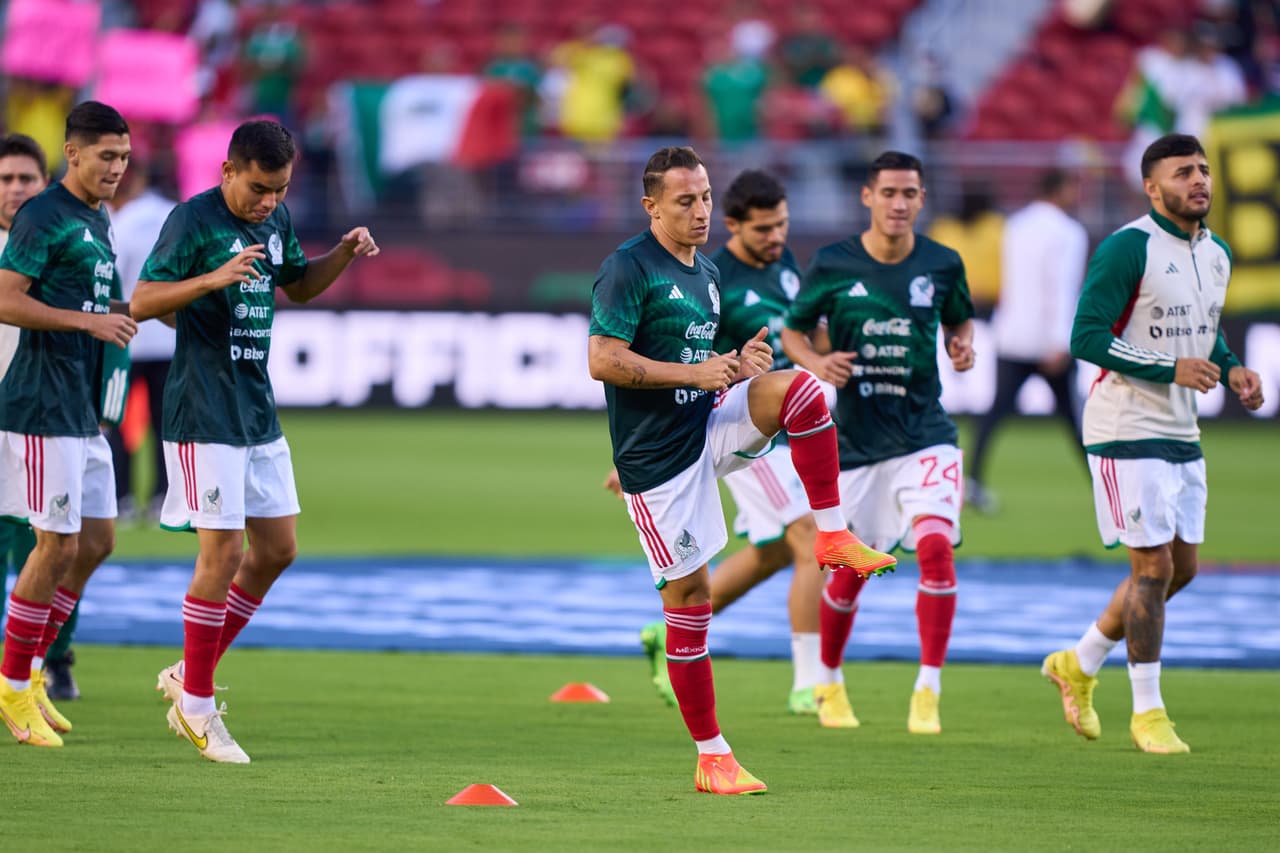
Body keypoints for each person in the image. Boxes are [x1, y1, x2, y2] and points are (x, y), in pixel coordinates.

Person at [588, 146, 896, 795]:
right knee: (689, 602)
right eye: (685, 201)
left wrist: (737, 363)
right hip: (659, 460)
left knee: (801, 391)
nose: (700, 211)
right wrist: (693, 373)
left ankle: (834, 531)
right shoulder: (627, 268)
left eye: (703, 197)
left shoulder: (705, 274)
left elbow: (707, 360)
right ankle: (712, 755)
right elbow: (603, 359)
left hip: (707, 421)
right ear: (650, 206)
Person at [131, 119, 379, 764]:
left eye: (280, 189)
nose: (269, 202)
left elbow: (296, 284)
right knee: (222, 552)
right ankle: (198, 709)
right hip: (202, 410)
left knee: (277, 548)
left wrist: (343, 253)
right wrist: (211, 280)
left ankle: (191, 674)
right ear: (228, 171)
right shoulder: (193, 221)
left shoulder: (275, 220)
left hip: (256, 410)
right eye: (260, 189)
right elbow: (143, 299)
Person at [1041, 133, 1263, 755]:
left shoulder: (1216, 253)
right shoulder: (1127, 248)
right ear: (1151, 186)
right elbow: (1086, 335)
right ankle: (1148, 713)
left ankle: (1078, 662)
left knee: (1181, 569)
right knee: (1153, 568)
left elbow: (1204, 331)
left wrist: (1234, 366)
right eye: (1183, 172)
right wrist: (1171, 369)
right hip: (1124, 426)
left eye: (1203, 170)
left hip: (1180, 428)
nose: (1198, 181)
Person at [618, 169, 861, 727]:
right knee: (807, 541)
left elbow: (800, 333)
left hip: (781, 423)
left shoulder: (784, 266)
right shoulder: (712, 275)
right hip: (733, 426)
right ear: (733, 226)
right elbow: (688, 361)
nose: (776, 237)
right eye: (763, 229)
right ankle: (811, 684)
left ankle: (665, 631)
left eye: (782, 225)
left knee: (775, 551)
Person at [781, 150, 976, 736]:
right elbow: (793, 328)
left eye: (909, 193)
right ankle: (830, 680)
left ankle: (928, 689)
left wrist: (961, 345)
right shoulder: (833, 264)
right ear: (867, 196)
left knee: (936, 551)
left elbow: (959, 320)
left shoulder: (943, 263)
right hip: (860, 447)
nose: (898, 203)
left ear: (921, 199)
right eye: (888, 192)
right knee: (849, 574)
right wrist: (816, 361)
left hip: (926, 436)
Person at [0, 102, 138, 748]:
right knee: (52, 544)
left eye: (124, 156)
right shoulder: (43, 214)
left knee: (96, 541)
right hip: (39, 403)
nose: (117, 167)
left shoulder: (96, 220)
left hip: (81, 408)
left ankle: (27, 669)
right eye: (106, 156)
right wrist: (89, 323)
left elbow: (92, 303)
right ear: (73, 153)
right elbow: (6, 297)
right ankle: (15, 681)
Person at [967, 169, 1089, 513]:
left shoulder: (1015, 225)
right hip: (1048, 341)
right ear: (1060, 189)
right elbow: (1061, 288)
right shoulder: (1069, 231)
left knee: (994, 413)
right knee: (1075, 420)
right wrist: (1060, 340)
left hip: (1012, 335)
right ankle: (1108, 488)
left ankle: (971, 481)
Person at [106, 159, 178, 523]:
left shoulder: (119, 222)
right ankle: (163, 497)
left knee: (116, 419)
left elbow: (111, 282)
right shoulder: (177, 217)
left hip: (127, 338)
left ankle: (122, 496)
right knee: (165, 424)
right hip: (169, 338)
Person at [0, 134, 50, 640]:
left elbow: (107, 315)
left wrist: (107, 401)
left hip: (51, 413)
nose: (15, 189)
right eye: (6, 179)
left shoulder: (63, 241)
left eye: (26, 179)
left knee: (60, 543)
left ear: (45, 183)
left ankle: (52, 661)